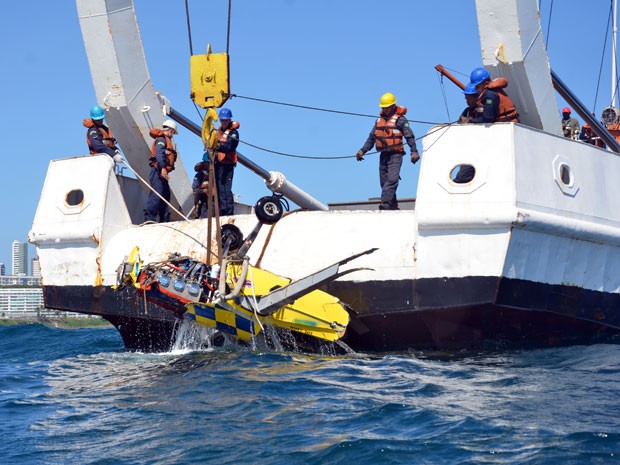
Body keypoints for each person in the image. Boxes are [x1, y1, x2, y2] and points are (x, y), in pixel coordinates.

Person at [356, 92, 419, 210]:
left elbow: (409, 136)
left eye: (387, 107)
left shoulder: (400, 120)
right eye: (383, 108)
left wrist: (414, 151)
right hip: (384, 155)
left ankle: (385, 204)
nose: (385, 110)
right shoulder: (379, 121)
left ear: (393, 106)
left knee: (392, 180)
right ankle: (392, 206)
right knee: (384, 182)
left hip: (396, 155)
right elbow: (371, 138)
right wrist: (362, 151)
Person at [144, 120, 178, 223]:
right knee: (157, 194)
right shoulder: (161, 139)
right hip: (158, 171)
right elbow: (159, 154)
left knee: (165, 195)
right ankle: (149, 218)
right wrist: (163, 168)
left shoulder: (165, 140)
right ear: (171, 130)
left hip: (162, 173)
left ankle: (164, 219)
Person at [213, 108, 239, 216]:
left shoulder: (234, 133)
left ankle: (228, 212)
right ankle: (221, 211)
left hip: (227, 166)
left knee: (226, 189)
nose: (223, 122)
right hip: (219, 165)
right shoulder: (219, 132)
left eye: (225, 120)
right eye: (222, 120)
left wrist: (217, 145)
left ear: (229, 120)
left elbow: (229, 146)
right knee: (219, 188)